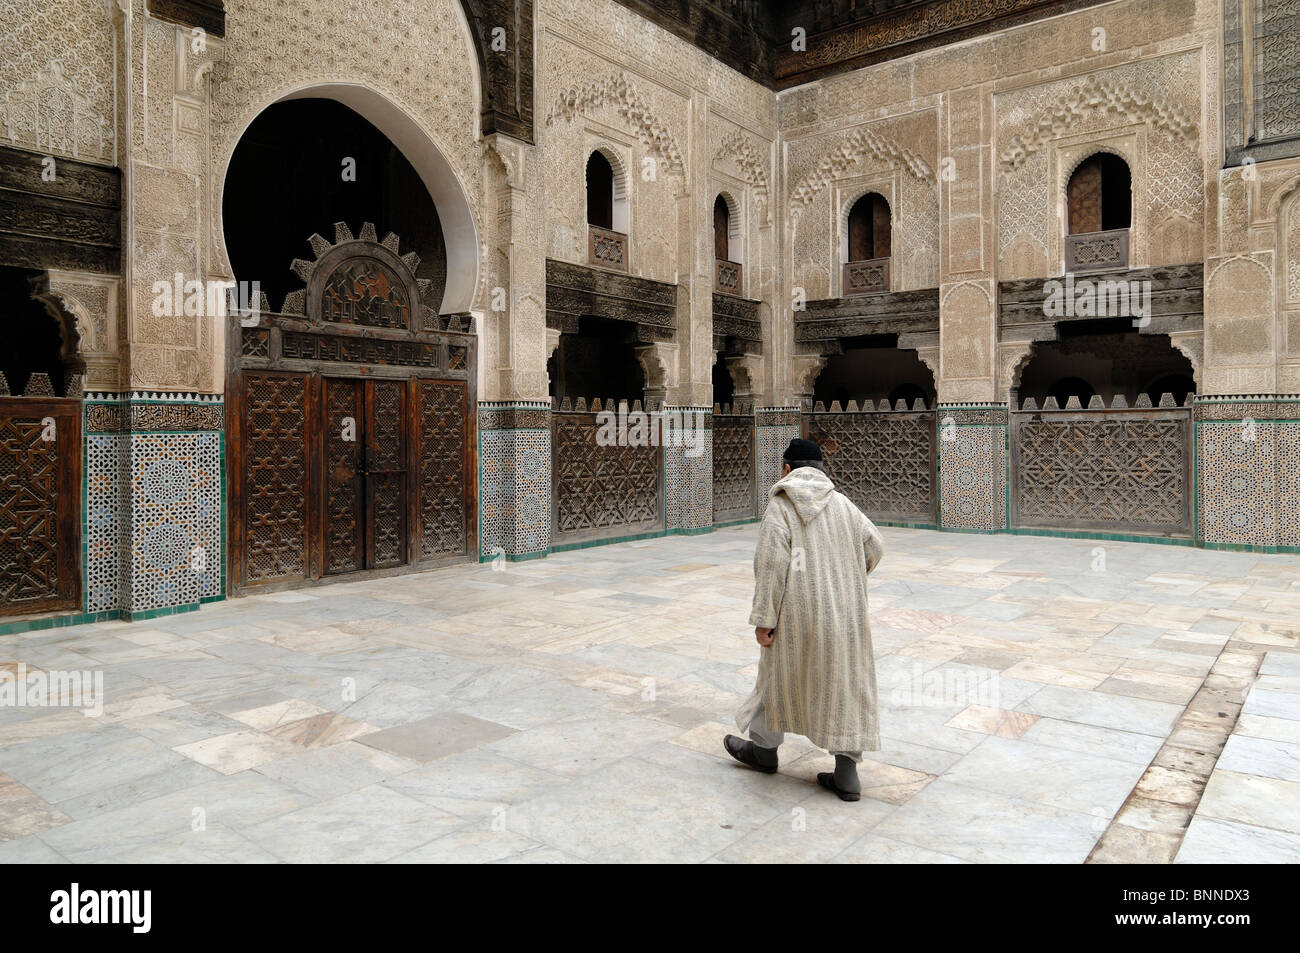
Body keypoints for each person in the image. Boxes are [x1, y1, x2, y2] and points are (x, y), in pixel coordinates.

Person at [724, 437, 885, 801]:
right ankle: (847, 775)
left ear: (786, 469)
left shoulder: (780, 507)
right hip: (844, 617)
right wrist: (845, 580)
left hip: (795, 615)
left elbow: (770, 568)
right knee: (844, 687)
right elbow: (875, 546)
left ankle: (764, 752)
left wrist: (764, 618)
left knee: (775, 678)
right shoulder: (844, 505)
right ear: (820, 470)